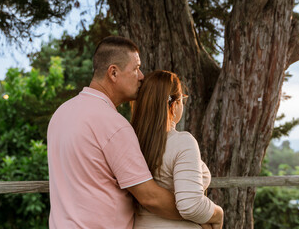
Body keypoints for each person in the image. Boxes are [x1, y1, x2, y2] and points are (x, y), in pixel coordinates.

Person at [47, 36, 183, 229]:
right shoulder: (113, 124)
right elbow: (150, 197)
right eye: (136, 68)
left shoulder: (61, 114)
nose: (142, 76)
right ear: (113, 72)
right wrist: (202, 212)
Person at [131, 70, 224, 229]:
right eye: (182, 99)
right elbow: (191, 205)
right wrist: (218, 214)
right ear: (174, 104)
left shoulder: (128, 142)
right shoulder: (182, 142)